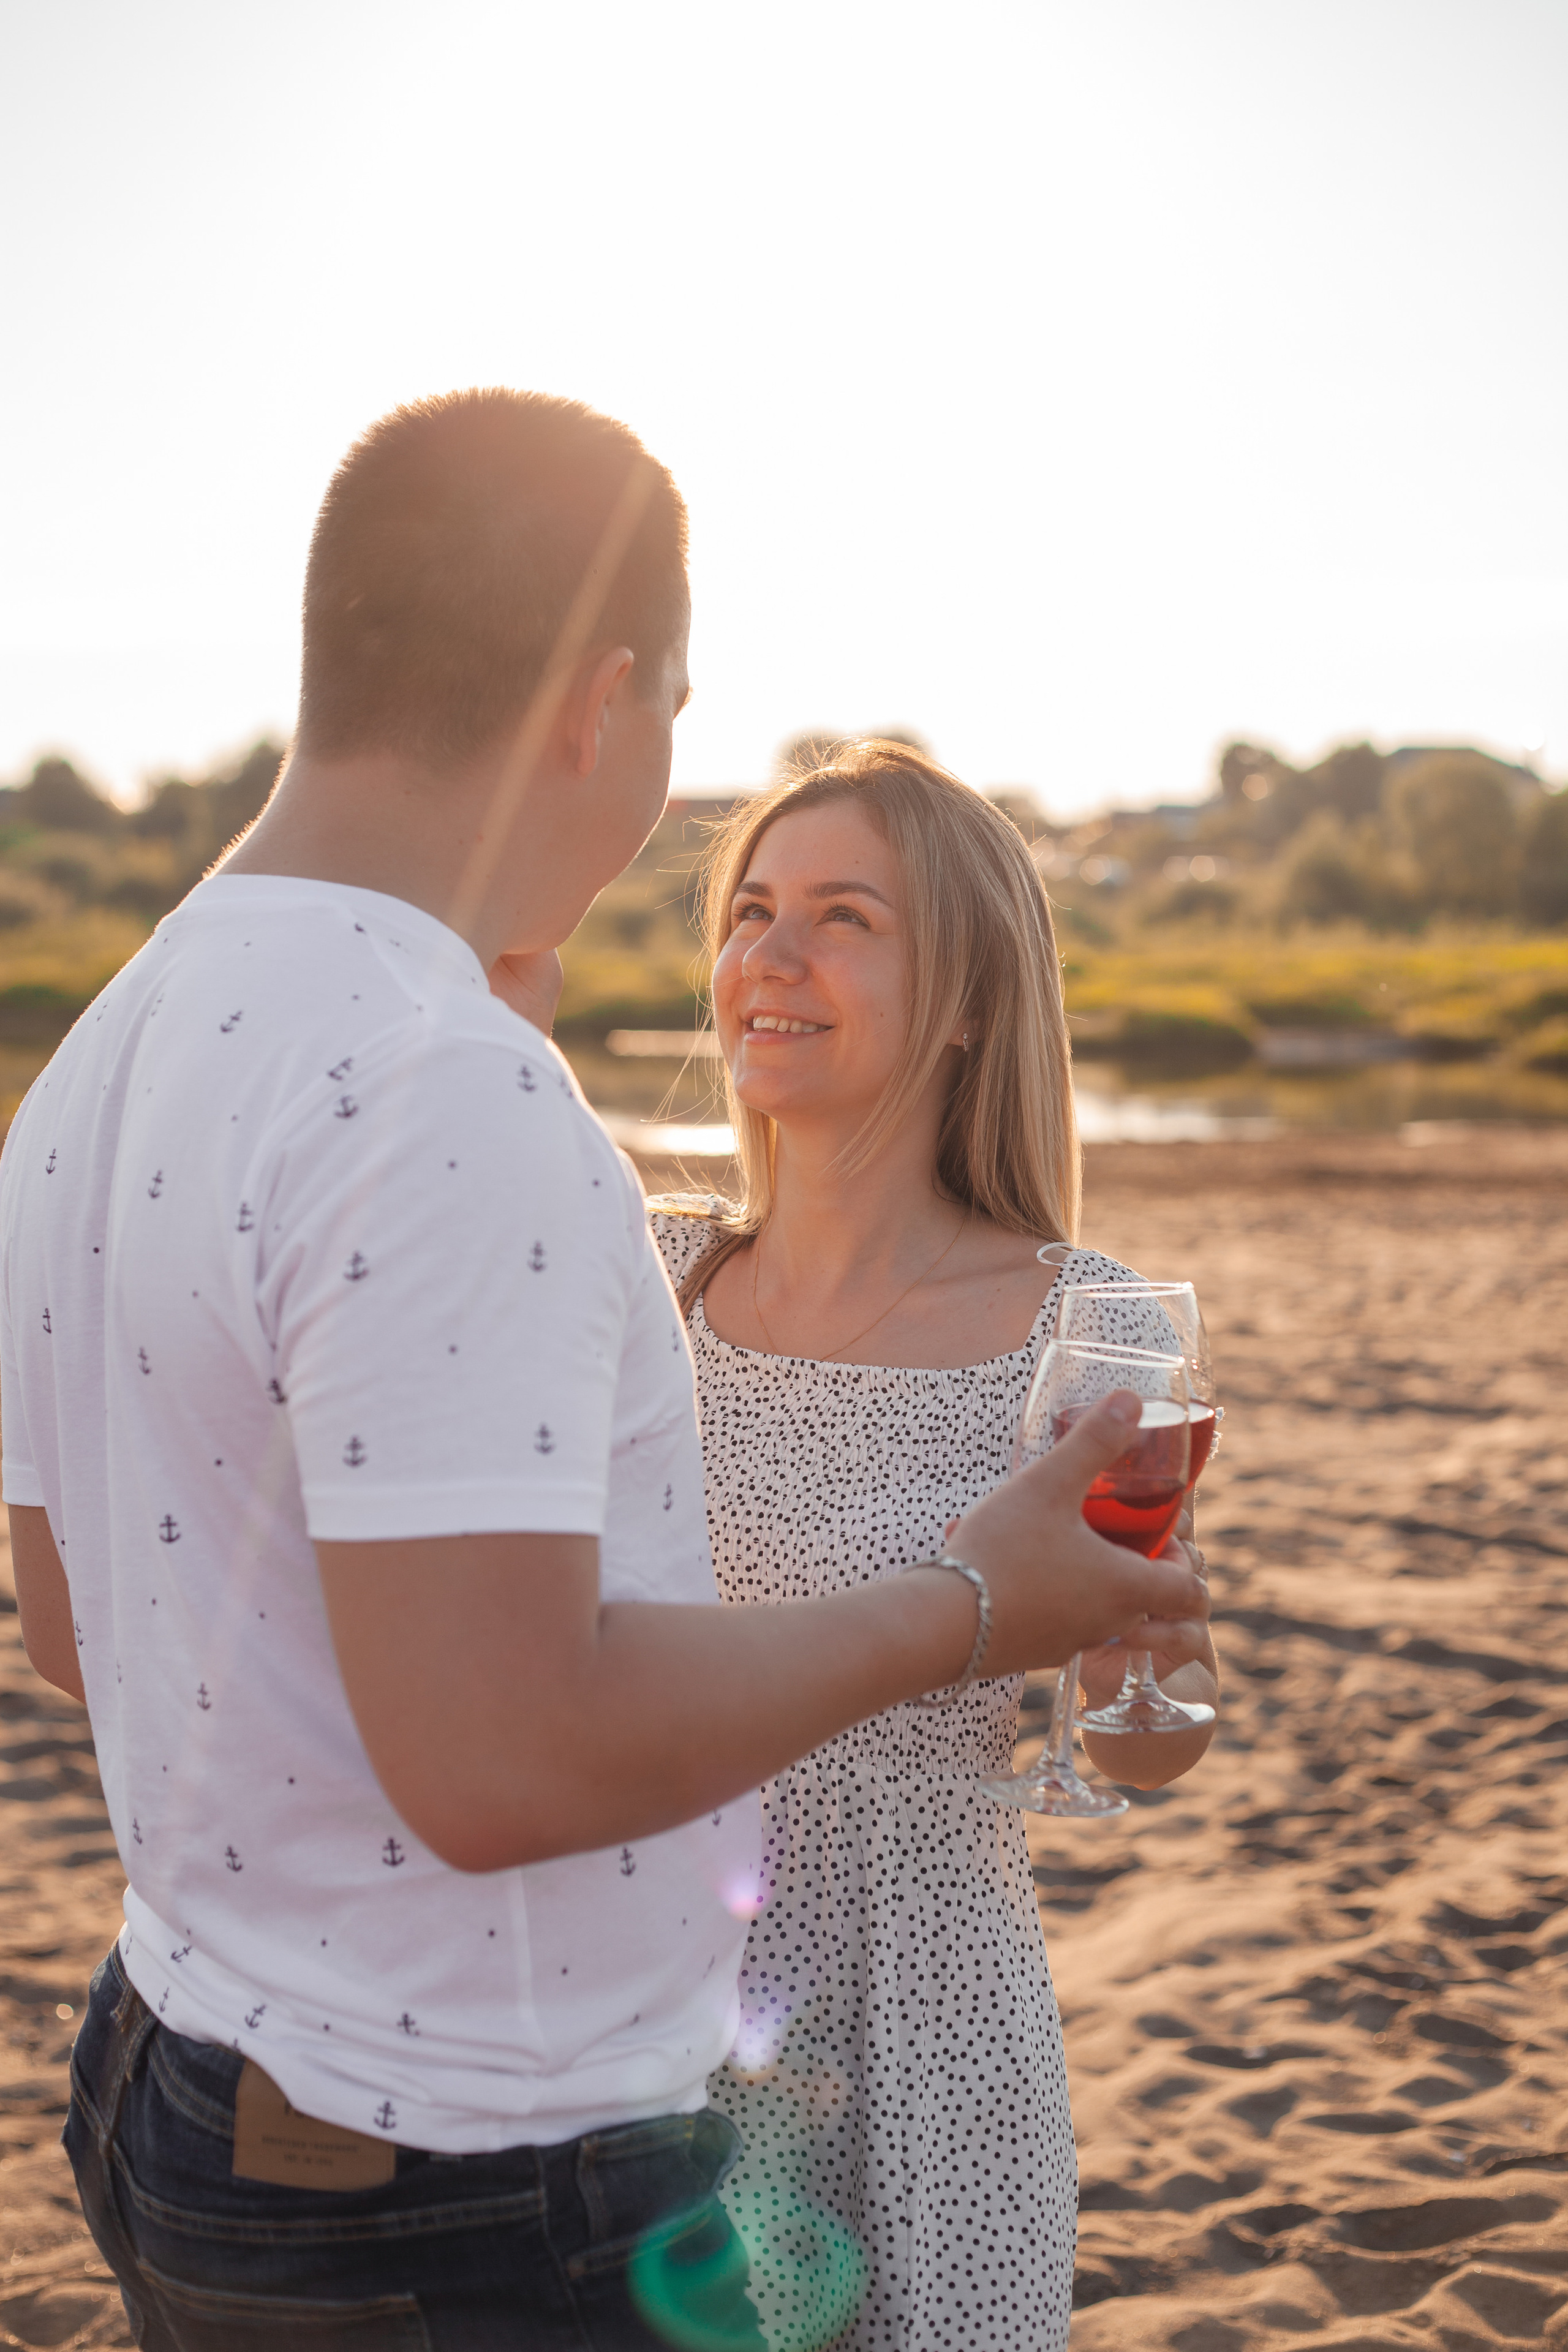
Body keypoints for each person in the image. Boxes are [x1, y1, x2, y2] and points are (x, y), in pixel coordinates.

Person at [0, 391, 1206, 2350]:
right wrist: (978, 1600)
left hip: (198, 2083)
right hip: (461, 2194)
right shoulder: (443, 1093)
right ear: (603, 700)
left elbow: (72, 1618)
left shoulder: (107, 1055)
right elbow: (504, 1758)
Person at [649, 741, 1219, 2351]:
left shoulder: (1090, 1324)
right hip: (662, 2007)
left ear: (969, 998)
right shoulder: (653, 1288)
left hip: (940, 2018)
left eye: (841, 918)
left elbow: (1139, 1753)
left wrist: (1137, 1671)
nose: (769, 953)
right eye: (752, 911)